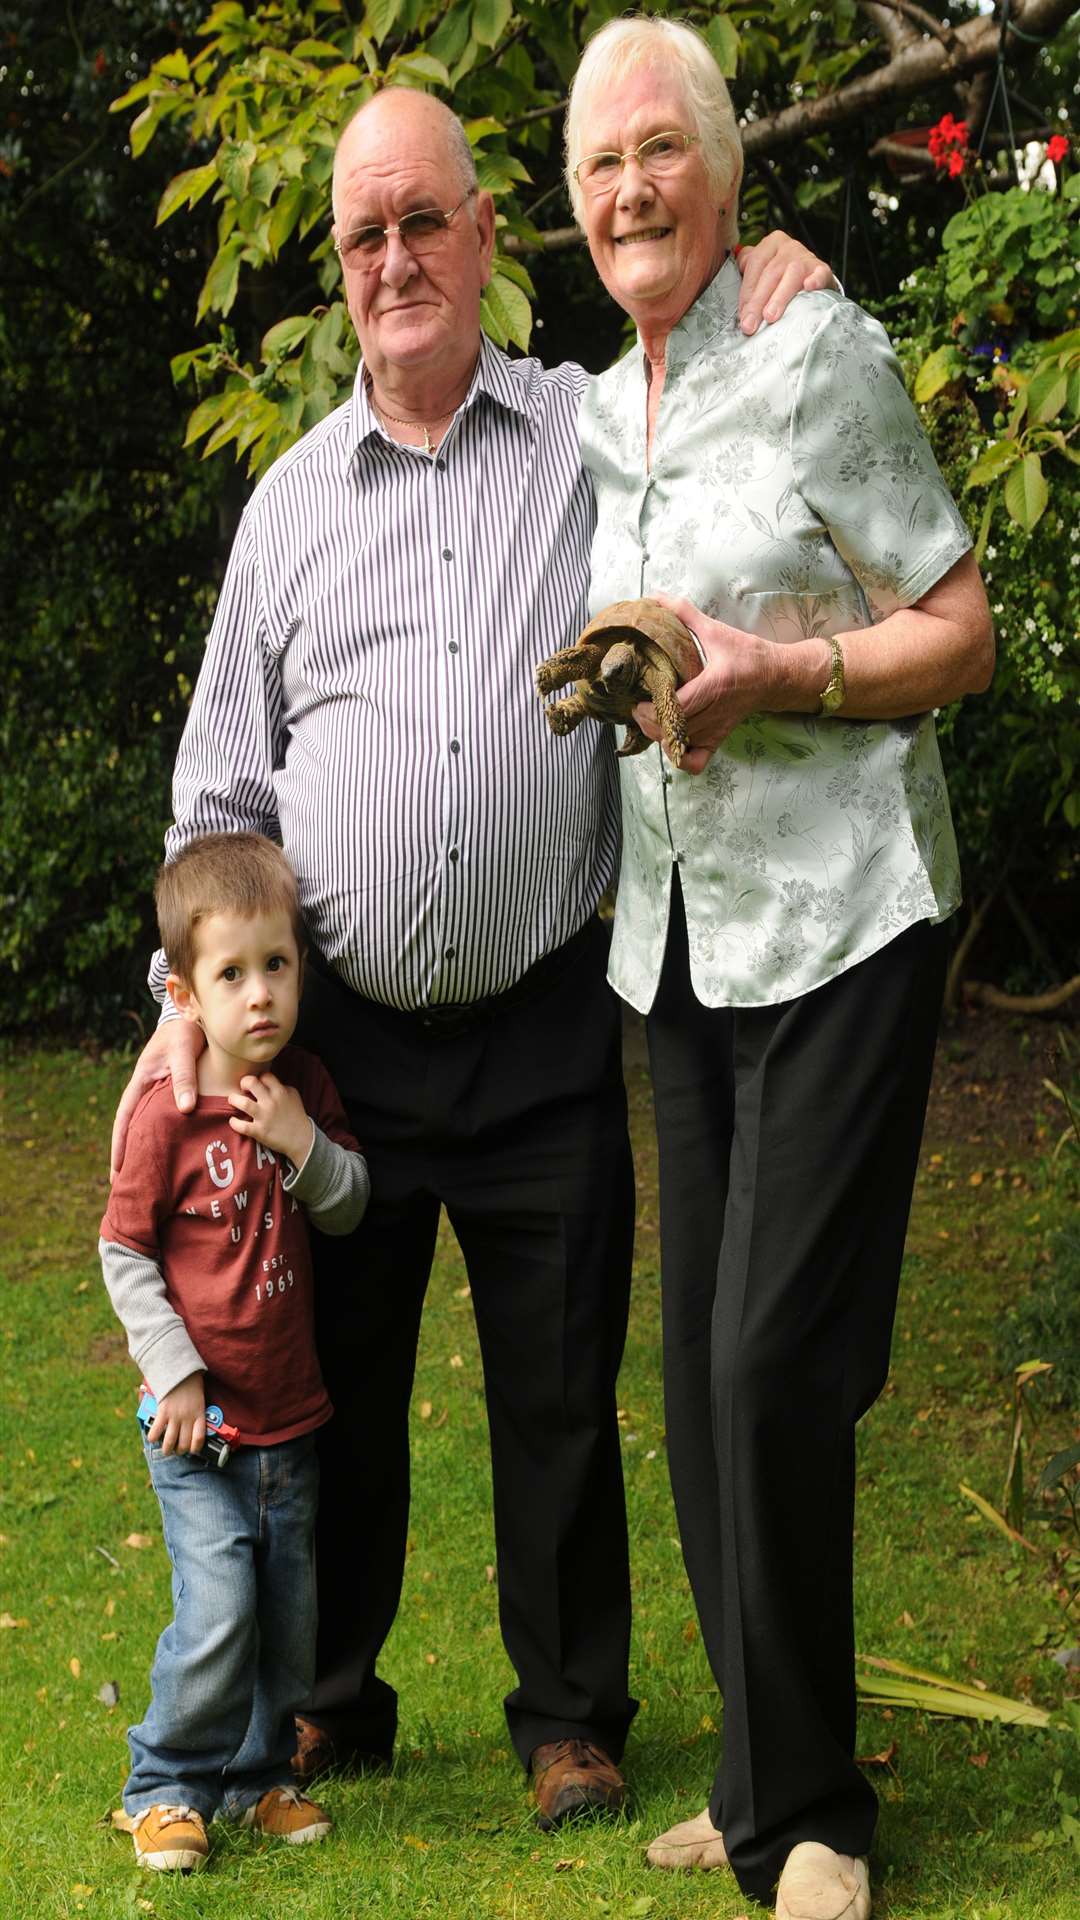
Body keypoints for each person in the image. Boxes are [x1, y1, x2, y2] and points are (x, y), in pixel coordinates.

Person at [109, 85, 832, 1827]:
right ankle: (329, 1702)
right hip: (333, 1040)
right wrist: (185, 1021)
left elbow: (710, 416)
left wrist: (761, 269)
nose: (394, 259)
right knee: (323, 1386)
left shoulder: (583, 436)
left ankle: (571, 1714)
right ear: (342, 267)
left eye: (423, 220)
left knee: (559, 1390)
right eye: (364, 235)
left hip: (539, 1022)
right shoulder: (284, 509)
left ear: (489, 236)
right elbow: (219, 789)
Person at [563, 15, 995, 1917]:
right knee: (698, 1377)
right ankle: (755, 1777)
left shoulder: (824, 355)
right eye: (599, 169)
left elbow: (959, 629)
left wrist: (785, 673)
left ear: (726, 176)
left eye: (662, 151)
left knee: (770, 1361)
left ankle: (819, 1825)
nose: (632, 189)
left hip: (841, 921)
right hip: (677, 940)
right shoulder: (598, 408)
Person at [101, 833, 370, 1871]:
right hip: (199, 1428)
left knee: (286, 1624)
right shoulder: (164, 1114)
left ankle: (261, 1777)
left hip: (290, 1417)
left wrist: (305, 1144)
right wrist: (175, 1368)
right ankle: (163, 1786)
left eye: (277, 966)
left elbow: (352, 1207)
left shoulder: (301, 1083)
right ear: (184, 991)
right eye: (230, 974)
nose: (259, 995)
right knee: (217, 1612)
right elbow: (122, 1249)